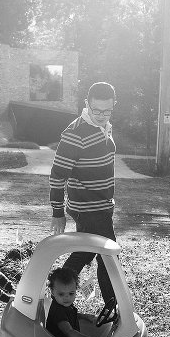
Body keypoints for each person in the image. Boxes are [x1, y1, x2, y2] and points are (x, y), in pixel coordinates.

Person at [49, 81, 118, 304]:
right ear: (87, 104)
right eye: (96, 110)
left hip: (102, 205)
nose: (101, 115)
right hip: (88, 208)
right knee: (109, 257)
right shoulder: (74, 134)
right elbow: (57, 175)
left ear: (113, 105)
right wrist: (57, 211)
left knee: (86, 253)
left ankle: (54, 295)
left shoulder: (103, 126)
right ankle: (112, 308)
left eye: (107, 111)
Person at [46, 267, 110, 337]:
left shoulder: (63, 304)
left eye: (71, 293)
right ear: (52, 291)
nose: (67, 298)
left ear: (76, 289)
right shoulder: (57, 310)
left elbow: (69, 315)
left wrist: (84, 316)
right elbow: (69, 332)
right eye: (61, 294)